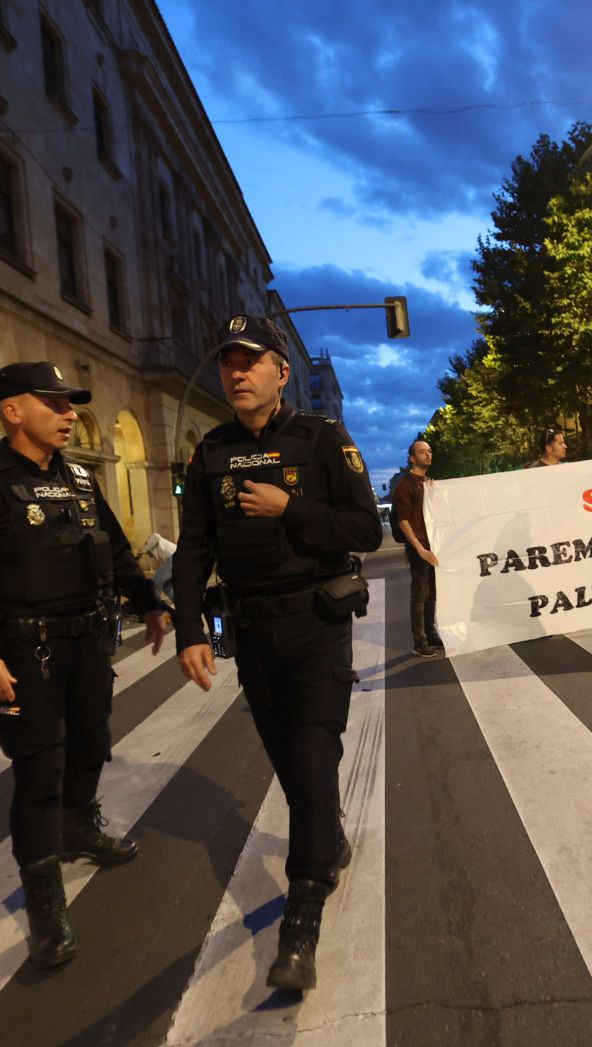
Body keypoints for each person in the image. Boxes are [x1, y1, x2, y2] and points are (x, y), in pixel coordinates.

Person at [0, 361, 168, 969]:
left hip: (89, 644)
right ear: (12, 411)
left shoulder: (80, 478)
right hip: (24, 653)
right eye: (54, 403)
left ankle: (80, 830)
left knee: (91, 745)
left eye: (69, 405)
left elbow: (111, 545)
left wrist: (148, 602)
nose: (67, 415)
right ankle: (45, 900)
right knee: (38, 771)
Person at [171, 314, 382, 992]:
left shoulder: (321, 439)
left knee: (315, 756)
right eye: (229, 362)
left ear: (281, 373)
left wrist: (291, 508)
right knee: (294, 763)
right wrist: (188, 629)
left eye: (250, 361)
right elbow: (194, 550)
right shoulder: (210, 451)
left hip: (317, 623)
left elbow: (362, 530)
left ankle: (301, 919)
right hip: (252, 631)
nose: (235, 372)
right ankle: (328, 837)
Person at [392, 439, 441, 657]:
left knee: (432, 593)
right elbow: (403, 520)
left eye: (429, 451)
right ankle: (418, 641)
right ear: (413, 458)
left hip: (433, 545)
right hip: (419, 546)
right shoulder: (406, 484)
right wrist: (419, 548)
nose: (428, 455)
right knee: (419, 594)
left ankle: (431, 634)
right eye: (422, 452)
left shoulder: (427, 483)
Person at [143, 531, 177, 605]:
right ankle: (182, 605)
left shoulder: (154, 538)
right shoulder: (158, 549)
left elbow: (156, 536)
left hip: (173, 558)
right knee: (167, 587)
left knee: (155, 581)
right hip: (173, 559)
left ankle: (153, 605)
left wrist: (144, 550)